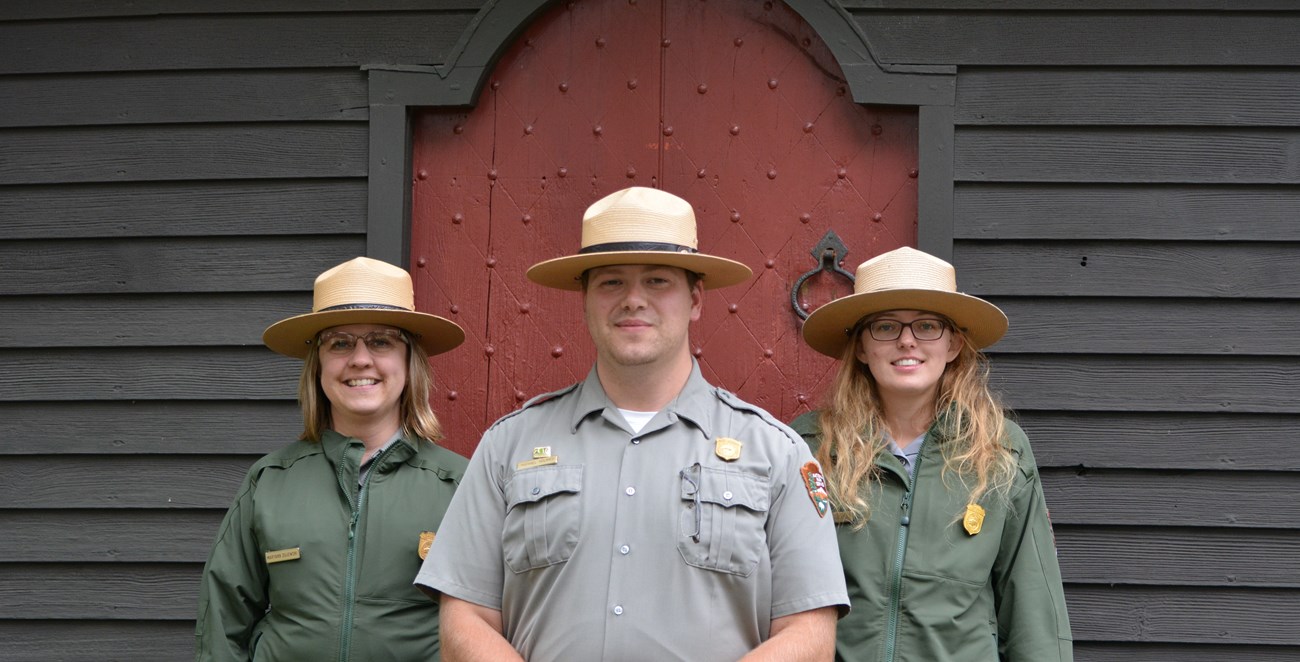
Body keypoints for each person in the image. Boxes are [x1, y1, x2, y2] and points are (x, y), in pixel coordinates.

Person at [415, 186, 849, 661]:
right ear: (584, 299)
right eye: (611, 283)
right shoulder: (508, 446)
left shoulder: (777, 453)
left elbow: (809, 634)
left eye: (658, 281)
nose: (633, 300)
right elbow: (464, 618)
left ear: (696, 299)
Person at [791, 246, 1073, 661]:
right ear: (863, 348)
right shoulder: (812, 446)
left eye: (927, 326)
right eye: (885, 327)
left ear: (955, 345)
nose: (907, 340)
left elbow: (1033, 609)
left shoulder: (998, 450)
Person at [195, 256, 469, 661]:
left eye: (381, 341)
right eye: (339, 343)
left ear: (409, 362)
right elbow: (223, 622)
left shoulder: (457, 484)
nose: (360, 359)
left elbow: (490, 622)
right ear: (318, 366)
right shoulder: (270, 480)